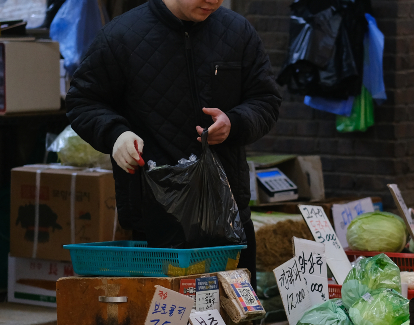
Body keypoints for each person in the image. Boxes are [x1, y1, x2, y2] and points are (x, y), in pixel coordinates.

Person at [65, 0, 282, 283]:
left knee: (235, 324)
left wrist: (234, 123)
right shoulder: (121, 35)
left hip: (230, 220)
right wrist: (115, 134)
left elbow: (266, 100)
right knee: (164, 323)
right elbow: (83, 101)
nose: (213, 1)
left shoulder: (237, 31)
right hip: (154, 221)